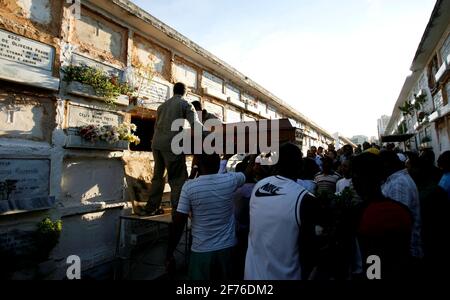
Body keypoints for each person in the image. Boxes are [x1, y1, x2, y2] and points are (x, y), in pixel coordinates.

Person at [245, 143, 320, 280]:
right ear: (300, 166)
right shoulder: (304, 199)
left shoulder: (259, 186)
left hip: (252, 275)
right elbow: (309, 252)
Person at [166, 153, 246, 280]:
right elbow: (246, 174)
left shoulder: (189, 187)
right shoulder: (230, 180)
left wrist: (169, 252)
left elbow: (179, 222)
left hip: (202, 251)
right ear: (217, 164)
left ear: (198, 166)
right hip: (228, 249)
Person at [139, 82, 204, 216]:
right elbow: (195, 124)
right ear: (185, 92)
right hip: (171, 144)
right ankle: (178, 210)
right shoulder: (185, 104)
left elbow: (156, 126)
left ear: (174, 91)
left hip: (156, 144)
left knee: (158, 177)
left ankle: (151, 208)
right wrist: (209, 136)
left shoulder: (162, 106)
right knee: (177, 179)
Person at [352, 153, 413, 280]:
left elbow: (372, 259)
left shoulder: (358, 214)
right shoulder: (403, 210)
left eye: (354, 175)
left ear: (357, 179)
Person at [380, 151, 423, 259]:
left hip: (405, 252)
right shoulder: (395, 180)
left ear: (386, 164)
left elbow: (398, 224)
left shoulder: (399, 183)